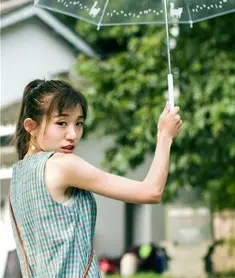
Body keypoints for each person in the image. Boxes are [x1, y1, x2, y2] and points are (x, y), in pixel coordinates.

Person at [9, 79, 183, 277]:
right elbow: (151, 191)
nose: (73, 134)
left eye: (79, 123)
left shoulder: (18, 176)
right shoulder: (63, 165)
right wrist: (165, 136)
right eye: (61, 123)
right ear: (31, 126)